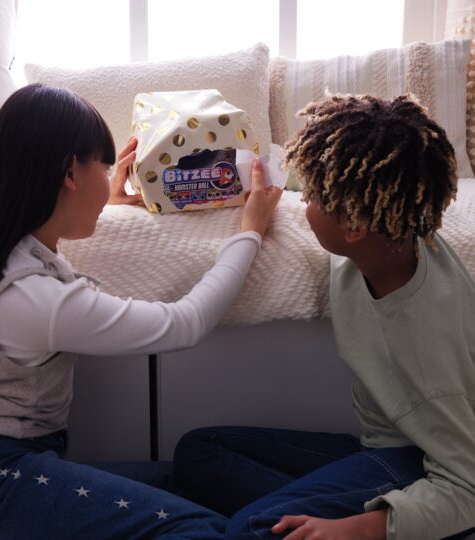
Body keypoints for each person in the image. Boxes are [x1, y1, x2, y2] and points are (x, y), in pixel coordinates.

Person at [0, 83, 281, 539]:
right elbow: (186, 323)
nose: (110, 180)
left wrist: (99, 199)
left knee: (192, 488)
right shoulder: (33, 299)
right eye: (103, 168)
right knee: (200, 528)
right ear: (69, 174)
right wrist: (250, 231)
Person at [173, 95, 475, 539]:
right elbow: (345, 157)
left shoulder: (429, 344)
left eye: (313, 197)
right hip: (380, 452)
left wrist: (357, 528)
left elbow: (468, 488)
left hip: (430, 466)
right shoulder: (390, 234)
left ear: (353, 226)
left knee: (251, 528)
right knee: (199, 451)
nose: (304, 202)